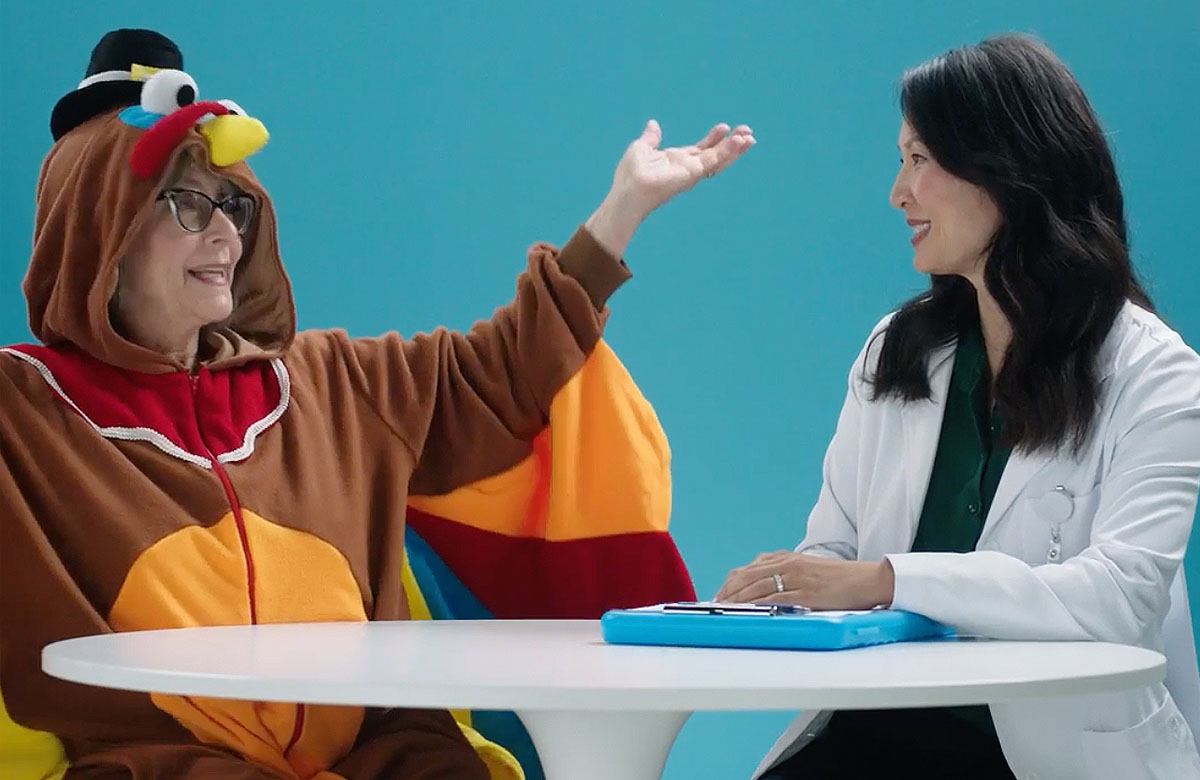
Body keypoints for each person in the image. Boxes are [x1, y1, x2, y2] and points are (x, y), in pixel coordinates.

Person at [0, 28, 754, 780]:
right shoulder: (24, 413)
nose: (227, 231)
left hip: (377, 752)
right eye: (189, 203)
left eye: (235, 203)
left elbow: (499, 377)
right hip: (166, 764)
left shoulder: (327, 383)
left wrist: (621, 213)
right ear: (101, 227)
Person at [716, 34, 1200, 780]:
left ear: (1008, 171)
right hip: (876, 736)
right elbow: (834, 554)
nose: (897, 193)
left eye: (920, 161)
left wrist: (888, 579)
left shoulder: (1156, 373)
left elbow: (1118, 598)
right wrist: (776, 595)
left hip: (1051, 757)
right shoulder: (897, 351)